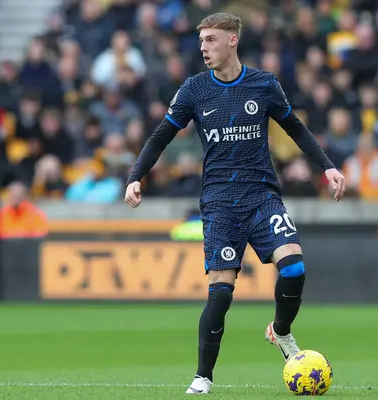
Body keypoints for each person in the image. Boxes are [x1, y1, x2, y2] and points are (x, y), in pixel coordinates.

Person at [124, 13, 345, 395]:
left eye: (210, 40)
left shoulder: (264, 85)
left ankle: (280, 330)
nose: (203, 48)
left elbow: (296, 128)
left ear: (232, 40)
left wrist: (326, 168)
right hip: (219, 201)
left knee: (293, 267)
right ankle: (203, 376)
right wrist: (135, 176)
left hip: (261, 194)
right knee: (221, 291)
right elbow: (160, 136)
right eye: (201, 41)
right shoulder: (194, 90)